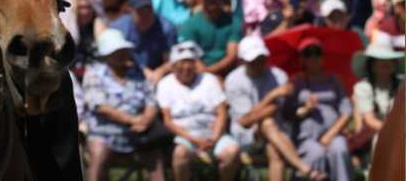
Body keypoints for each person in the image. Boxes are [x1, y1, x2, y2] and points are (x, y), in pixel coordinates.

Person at [224, 36, 322, 181]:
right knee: (268, 122)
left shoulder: (278, 75)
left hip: (277, 136)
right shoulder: (233, 80)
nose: (259, 63)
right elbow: (245, 121)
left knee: (275, 152)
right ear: (243, 62)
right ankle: (304, 168)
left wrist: (305, 108)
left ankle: (305, 170)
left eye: (262, 58)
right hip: (247, 136)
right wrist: (272, 95)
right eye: (254, 61)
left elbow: (281, 109)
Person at [83, 29, 167, 181]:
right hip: (104, 133)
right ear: (107, 55)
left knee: (155, 159)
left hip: (139, 133)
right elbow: (98, 105)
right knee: (98, 154)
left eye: (124, 50)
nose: (123, 54)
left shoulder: (138, 72)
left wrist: (146, 119)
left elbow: (151, 100)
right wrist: (131, 120)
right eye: (117, 51)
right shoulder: (94, 73)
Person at [157, 41, 242, 181]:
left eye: (190, 65)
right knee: (180, 154)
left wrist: (214, 138)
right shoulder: (165, 84)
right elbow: (167, 120)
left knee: (232, 151)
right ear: (173, 67)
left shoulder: (209, 80)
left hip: (213, 135)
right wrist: (195, 141)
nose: (186, 69)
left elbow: (221, 113)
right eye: (181, 66)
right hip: (185, 138)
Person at [284, 37, 353, 181]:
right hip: (306, 137)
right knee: (316, 153)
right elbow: (287, 113)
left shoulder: (334, 80)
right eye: (308, 54)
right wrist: (304, 109)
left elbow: (346, 110)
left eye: (317, 53)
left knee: (339, 149)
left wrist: (331, 133)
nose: (313, 57)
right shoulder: (296, 82)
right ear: (302, 59)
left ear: (323, 57)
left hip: (334, 133)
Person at [350, 32, 403, 156]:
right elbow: (371, 121)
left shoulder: (402, 84)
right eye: (382, 60)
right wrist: (396, 131)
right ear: (372, 65)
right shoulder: (363, 88)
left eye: (390, 60)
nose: (387, 64)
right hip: (374, 136)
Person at [178, 0, 241, 77]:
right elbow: (189, 53)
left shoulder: (234, 22)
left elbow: (232, 55)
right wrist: (206, 75)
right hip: (198, 75)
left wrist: (210, 72)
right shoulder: (190, 25)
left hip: (229, 73)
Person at [111, 0, 177, 84]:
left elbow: (173, 59)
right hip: (128, 74)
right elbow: (114, 58)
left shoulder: (166, 28)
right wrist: (142, 69)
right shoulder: (119, 29)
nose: (145, 16)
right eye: (140, 12)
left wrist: (161, 71)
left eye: (148, 11)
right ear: (131, 11)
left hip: (158, 75)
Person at [63, 0, 109, 79]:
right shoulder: (67, 29)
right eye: (81, 7)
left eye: (88, 7)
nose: (85, 12)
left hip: (94, 73)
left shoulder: (95, 26)